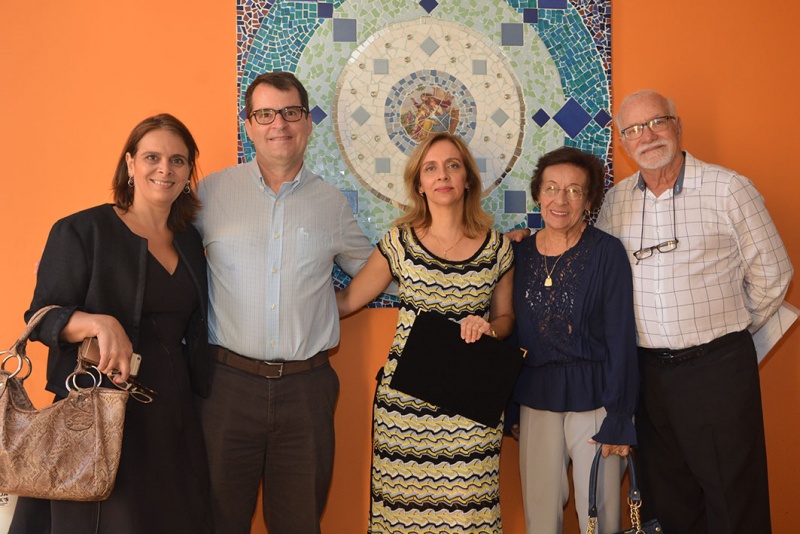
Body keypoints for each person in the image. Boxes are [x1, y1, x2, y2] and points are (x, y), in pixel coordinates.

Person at [596, 89, 793, 534]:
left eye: (656, 122)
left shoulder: (728, 189)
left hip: (717, 370)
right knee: (667, 499)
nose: (646, 136)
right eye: (633, 130)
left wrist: (726, 332)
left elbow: (774, 276)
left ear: (677, 126)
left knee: (733, 496)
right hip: (648, 377)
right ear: (623, 144)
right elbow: (598, 273)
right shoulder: (616, 203)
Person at [10, 114, 213, 533]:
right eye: (152, 157)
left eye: (178, 160)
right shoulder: (82, 231)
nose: (165, 169)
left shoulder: (192, 239)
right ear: (130, 164)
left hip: (174, 414)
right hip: (99, 413)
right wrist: (98, 322)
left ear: (188, 172)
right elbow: (41, 317)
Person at [195, 71, 378, 534]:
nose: (279, 123)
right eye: (265, 114)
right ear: (249, 125)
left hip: (306, 390)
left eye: (291, 112)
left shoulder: (331, 203)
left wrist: (487, 255)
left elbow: (382, 270)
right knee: (216, 519)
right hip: (225, 387)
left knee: (299, 523)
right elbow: (160, 255)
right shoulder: (209, 194)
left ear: (308, 122)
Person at [336, 132, 515, 533]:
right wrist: (289, 310)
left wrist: (489, 327)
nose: (442, 175)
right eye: (430, 168)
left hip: (471, 410)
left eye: (453, 165)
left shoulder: (498, 249)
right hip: (405, 410)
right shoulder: (399, 243)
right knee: (402, 520)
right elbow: (348, 301)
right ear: (419, 183)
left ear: (468, 178)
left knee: (470, 517)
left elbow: (506, 320)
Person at [507, 146, 638, 534]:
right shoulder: (520, 254)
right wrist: (512, 409)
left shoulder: (607, 253)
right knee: (541, 519)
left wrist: (619, 416)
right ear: (537, 194)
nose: (559, 200)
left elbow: (620, 337)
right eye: (550, 188)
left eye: (574, 191)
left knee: (600, 517)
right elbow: (512, 332)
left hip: (597, 401)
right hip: (535, 401)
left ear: (590, 201)